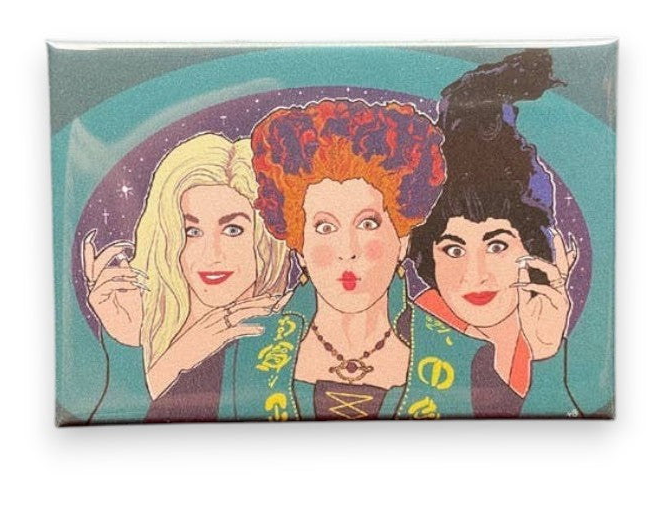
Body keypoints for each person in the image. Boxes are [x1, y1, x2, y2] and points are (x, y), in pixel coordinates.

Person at [215, 97, 491, 421]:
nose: (347, 249)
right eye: (325, 227)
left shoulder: (467, 358)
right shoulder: (242, 351)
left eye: (367, 224)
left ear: (402, 240)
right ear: (300, 248)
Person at [408, 49, 581, 416]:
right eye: (454, 250)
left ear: (533, 247)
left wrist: (546, 355)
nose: (476, 275)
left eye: (497, 245)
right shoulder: (406, 331)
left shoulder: (544, 331)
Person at [81, 132, 290, 421]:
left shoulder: (290, 331)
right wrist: (129, 347)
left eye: (233, 230)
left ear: (267, 238)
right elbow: (109, 430)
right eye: (191, 231)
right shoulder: (144, 331)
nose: (211, 254)